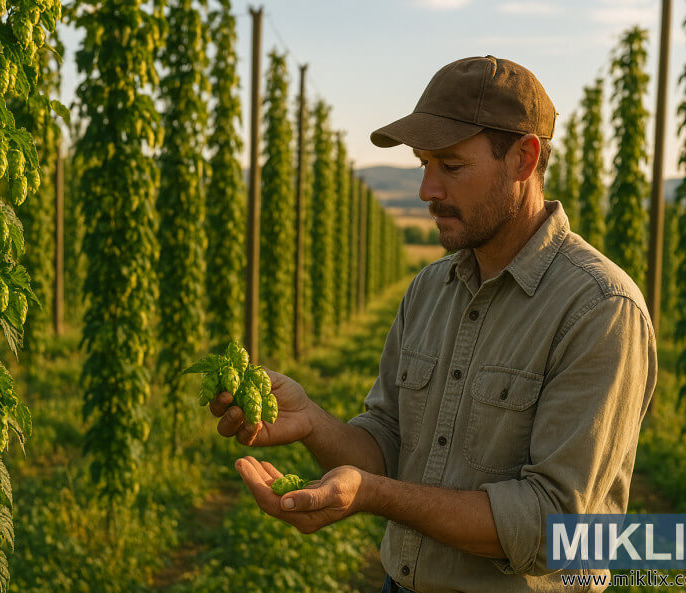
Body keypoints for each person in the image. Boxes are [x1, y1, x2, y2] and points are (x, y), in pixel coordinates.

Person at [208, 55, 657, 592]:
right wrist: (313, 422)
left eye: (451, 166)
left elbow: (553, 527)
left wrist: (373, 494)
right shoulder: (429, 290)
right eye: (424, 163)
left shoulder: (599, 310)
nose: (427, 190)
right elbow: (390, 445)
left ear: (523, 158)